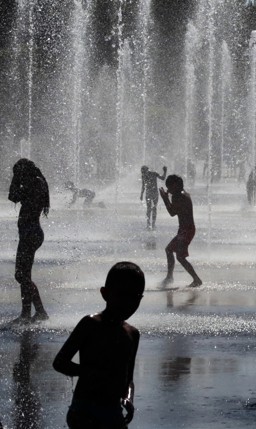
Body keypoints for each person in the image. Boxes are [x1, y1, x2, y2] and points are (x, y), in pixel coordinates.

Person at [53, 261, 145, 429]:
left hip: (113, 411)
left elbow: (128, 378)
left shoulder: (133, 334)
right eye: (122, 295)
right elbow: (59, 362)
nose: (128, 303)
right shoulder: (90, 324)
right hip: (84, 410)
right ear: (105, 293)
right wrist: (88, 372)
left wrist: (128, 398)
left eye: (135, 297)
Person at [8, 159, 50, 324]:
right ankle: (34, 312)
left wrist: (15, 180)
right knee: (23, 275)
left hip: (30, 234)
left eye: (18, 174)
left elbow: (12, 196)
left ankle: (34, 312)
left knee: (21, 274)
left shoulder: (34, 184)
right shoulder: (36, 182)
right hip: (29, 233)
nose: (18, 177)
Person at [159, 175, 203, 288]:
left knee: (180, 257)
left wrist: (165, 198)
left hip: (187, 230)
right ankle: (169, 277)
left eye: (169, 187)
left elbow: (172, 213)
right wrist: (168, 197)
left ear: (176, 185)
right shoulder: (182, 194)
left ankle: (196, 280)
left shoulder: (179, 196)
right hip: (185, 229)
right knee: (169, 250)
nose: (168, 190)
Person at [140, 165, 167, 230]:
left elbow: (163, 178)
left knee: (154, 208)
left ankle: (153, 224)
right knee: (149, 209)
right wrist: (141, 194)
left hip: (154, 193)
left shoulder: (154, 173)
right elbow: (143, 186)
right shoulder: (143, 176)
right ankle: (148, 224)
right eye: (142, 172)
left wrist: (165, 171)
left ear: (147, 170)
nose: (143, 173)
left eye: (144, 171)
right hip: (148, 193)